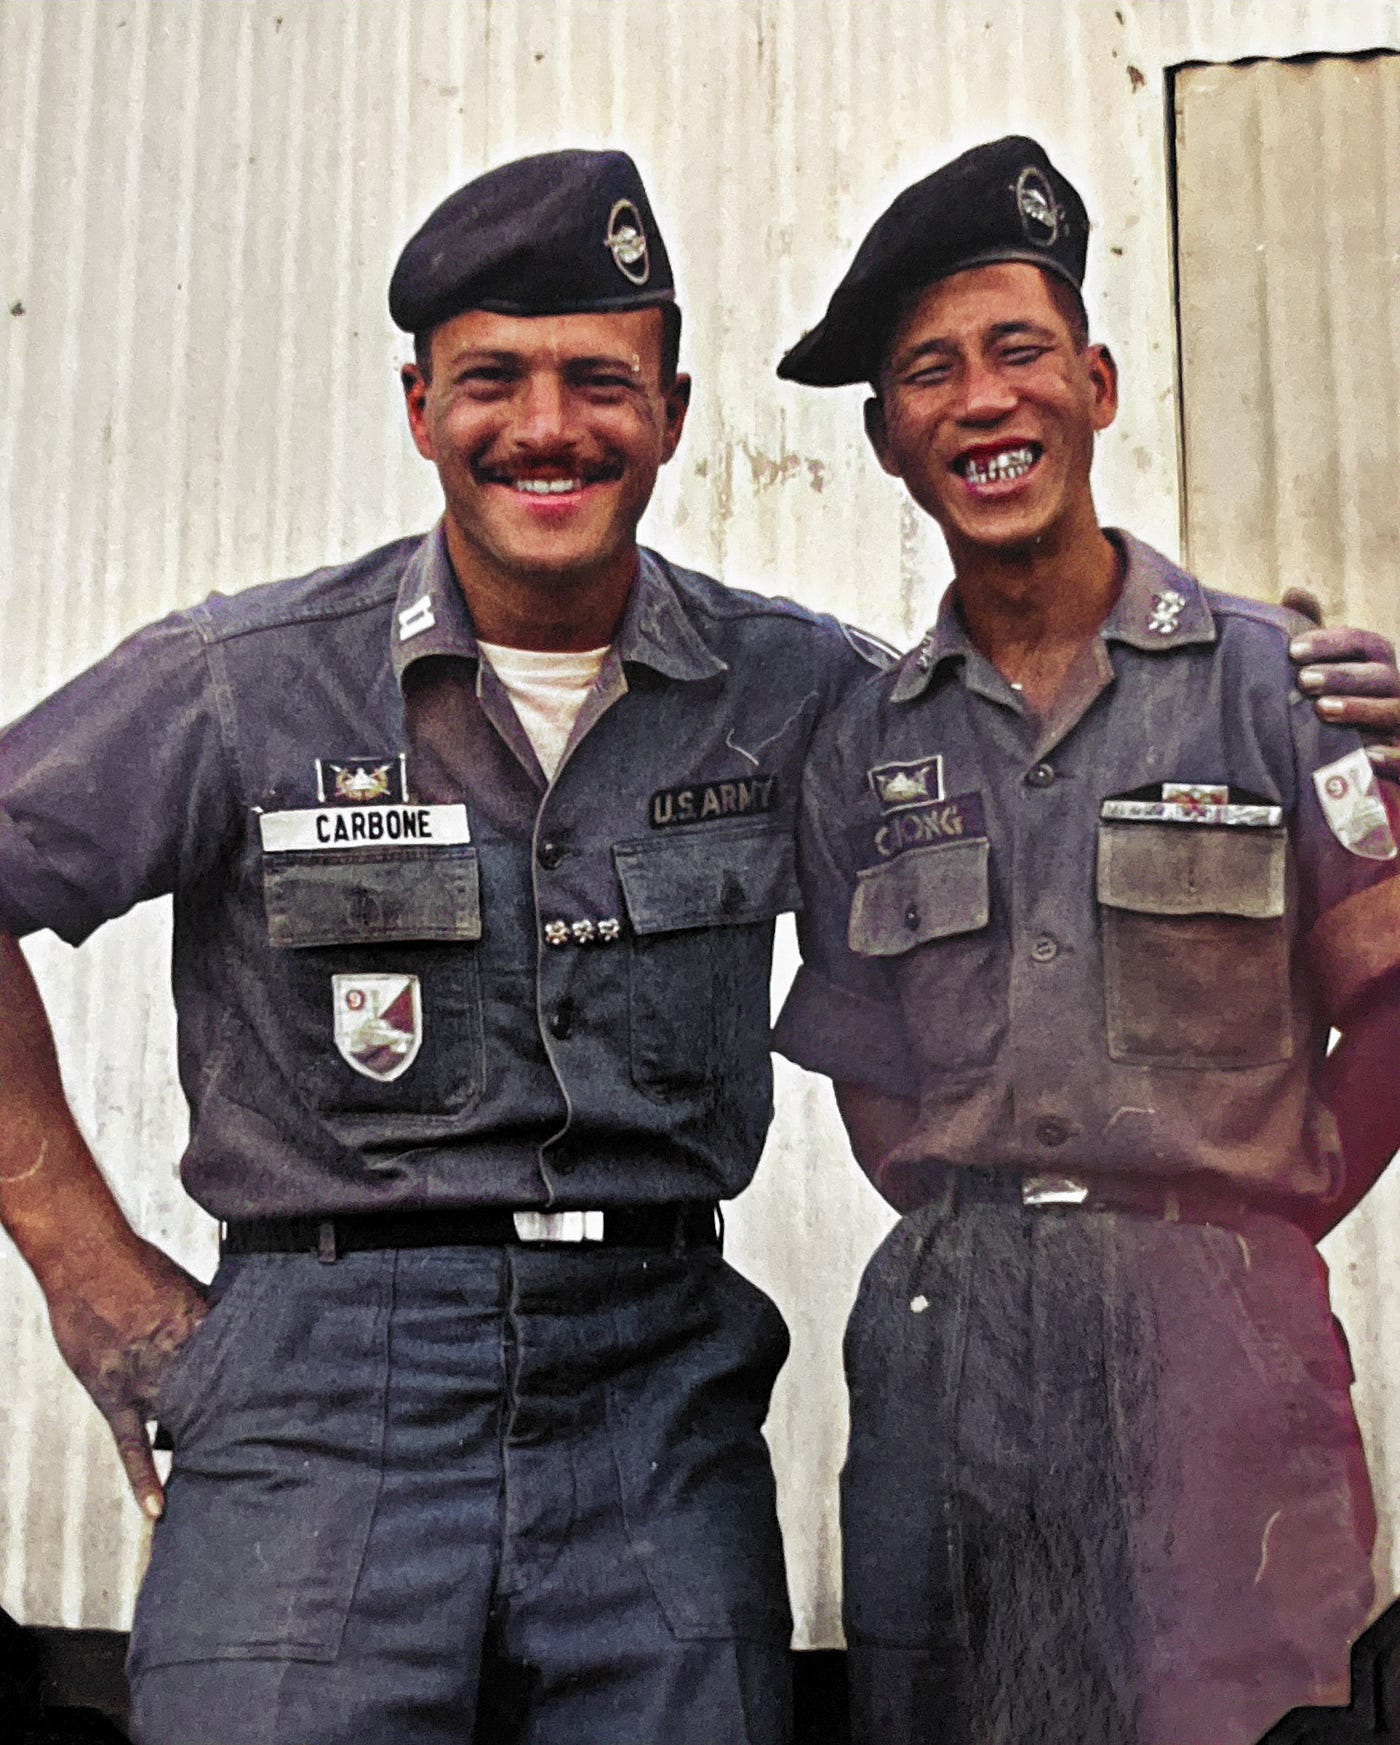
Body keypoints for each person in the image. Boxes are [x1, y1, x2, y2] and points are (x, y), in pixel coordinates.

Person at [0, 143, 1391, 1745]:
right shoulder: (247, 681)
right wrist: (86, 1274)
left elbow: (1062, 776)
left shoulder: (806, 695)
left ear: (668, 410)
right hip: (322, 1406)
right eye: (492, 378)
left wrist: (1315, 713)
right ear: (415, 406)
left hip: (652, 1414)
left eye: (599, 378)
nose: (546, 426)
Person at [772, 136, 1400, 1745]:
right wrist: (1001, 1224)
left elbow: (1391, 1003)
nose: (984, 402)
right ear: (889, 437)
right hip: (952, 1330)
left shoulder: (1278, 686)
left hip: (1221, 1322)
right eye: (930, 373)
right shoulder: (863, 741)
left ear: (1098, 384)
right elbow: (868, 1070)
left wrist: (1254, 1214)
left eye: (1019, 350)